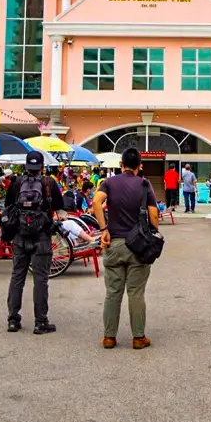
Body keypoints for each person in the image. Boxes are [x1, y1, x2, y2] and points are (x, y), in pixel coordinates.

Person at [92, 147, 159, 350]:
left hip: (114, 243)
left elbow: (96, 201)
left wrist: (104, 228)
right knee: (136, 292)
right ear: (140, 165)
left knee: (113, 292)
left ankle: (109, 337)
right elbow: (154, 214)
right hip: (137, 245)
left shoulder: (109, 182)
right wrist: (153, 233)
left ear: (121, 165)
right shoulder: (145, 184)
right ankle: (138, 337)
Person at [5, 150, 63, 335]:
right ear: (42, 167)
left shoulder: (16, 183)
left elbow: (8, 206)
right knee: (41, 280)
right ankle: (40, 322)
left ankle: (13, 320)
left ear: (26, 166)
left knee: (17, 277)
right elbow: (60, 206)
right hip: (42, 238)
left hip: (20, 237)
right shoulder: (49, 183)